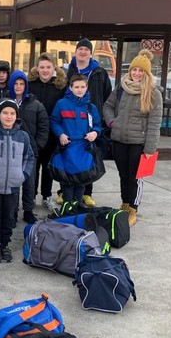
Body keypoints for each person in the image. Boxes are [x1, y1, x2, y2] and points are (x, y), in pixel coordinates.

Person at [103, 49, 162, 226]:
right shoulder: (121, 88)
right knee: (123, 176)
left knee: (135, 178)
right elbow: (107, 106)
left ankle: (133, 209)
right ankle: (125, 204)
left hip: (139, 144)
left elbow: (155, 123)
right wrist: (112, 122)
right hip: (119, 141)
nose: (136, 73)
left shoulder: (153, 93)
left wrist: (150, 148)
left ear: (146, 73)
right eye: (134, 70)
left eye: (140, 71)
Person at [0, 99, 33, 263]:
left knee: (9, 218)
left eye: (12, 113)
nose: (8, 116)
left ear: (16, 116)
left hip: (13, 185)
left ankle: (5, 244)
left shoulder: (23, 136)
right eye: (5, 112)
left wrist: (23, 175)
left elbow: (29, 157)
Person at [66, 38, 112, 207]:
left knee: (88, 158)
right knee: (69, 157)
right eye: (80, 49)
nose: (83, 52)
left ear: (90, 53)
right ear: (76, 52)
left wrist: (102, 119)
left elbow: (107, 96)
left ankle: (87, 193)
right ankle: (65, 192)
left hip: (91, 122)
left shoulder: (99, 72)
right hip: (71, 121)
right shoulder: (68, 70)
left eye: (86, 49)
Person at [49, 74, 102, 206]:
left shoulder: (91, 108)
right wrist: (60, 134)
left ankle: (78, 207)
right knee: (68, 181)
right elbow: (54, 121)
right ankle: (68, 208)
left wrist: (95, 132)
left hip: (84, 149)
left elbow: (97, 125)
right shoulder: (62, 104)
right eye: (76, 87)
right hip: (68, 147)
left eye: (82, 87)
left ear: (87, 87)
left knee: (81, 180)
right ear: (70, 87)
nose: (79, 89)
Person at [8, 70, 49, 224]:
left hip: (29, 150)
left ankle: (28, 210)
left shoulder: (36, 104)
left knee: (29, 183)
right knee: (12, 183)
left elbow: (44, 126)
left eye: (22, 83)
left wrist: (37, 145)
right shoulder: (5, 102)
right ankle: (12, 212)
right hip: (11, 150)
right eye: (16, 83)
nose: (18, 86)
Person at [28, 53, 67, 213]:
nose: (45, 70)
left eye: (48, 67)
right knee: (33, 167)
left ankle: (46, 196)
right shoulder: (30, 84)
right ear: (37, 68)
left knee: (48, 168)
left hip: (52, 134)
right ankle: (31, 196)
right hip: (33, 133)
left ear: (54, 68)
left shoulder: (60, 86)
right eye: (42, 67)